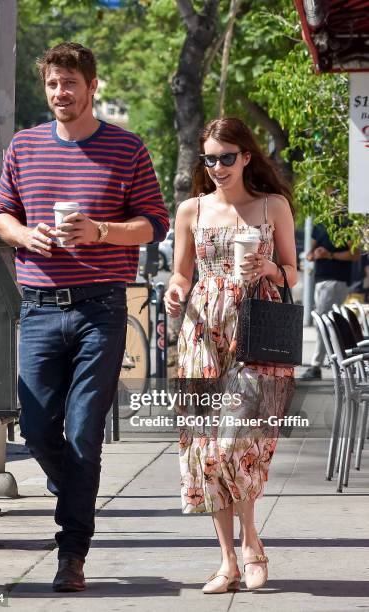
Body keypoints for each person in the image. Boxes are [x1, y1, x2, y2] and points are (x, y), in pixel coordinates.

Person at [0, 42, 169, 592]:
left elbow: (153, 223)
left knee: (84, 434)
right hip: (41, 308)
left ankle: (71, 553)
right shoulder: (24, 146)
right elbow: (2, 215)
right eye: (52, 84)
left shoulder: (127, 147)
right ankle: (70, 485)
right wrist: (26, 234)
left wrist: (101, 231)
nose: (60, 93)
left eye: (70, 82)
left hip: (101, 308)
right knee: (40, 426)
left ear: (92, 86)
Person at [164, 117, 296, 594]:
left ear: (245, 156)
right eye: (209, 158)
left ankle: (252, 541)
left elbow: (294, 275)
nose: (217, 166)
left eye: (226, 156)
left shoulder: (271, 206)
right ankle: (227, 560)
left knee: (234, 443)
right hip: (202, 332)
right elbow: (181, 274)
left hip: (258, 328)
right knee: (204, 448)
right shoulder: (190, 210)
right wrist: (174, 294)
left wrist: (270, 267)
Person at [301, 221, 359, 380]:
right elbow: (309, 254)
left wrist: (330, 255)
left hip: (335, 281)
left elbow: (355, 254)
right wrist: (313, 255)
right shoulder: (319, 226)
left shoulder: (345, 225)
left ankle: (316, 365)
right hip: (320, 280)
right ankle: (339, 364)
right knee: (327, 323)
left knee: (324, 323)